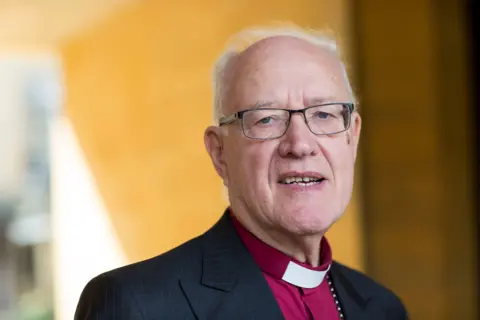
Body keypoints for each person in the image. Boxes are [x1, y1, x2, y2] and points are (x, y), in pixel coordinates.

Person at [74, 26, 408, 320]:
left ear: (352, 137)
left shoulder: (382, 308)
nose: (300, 144)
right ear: (220, 153)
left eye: (323, 115)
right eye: (267, 119)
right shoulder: (136, 306)